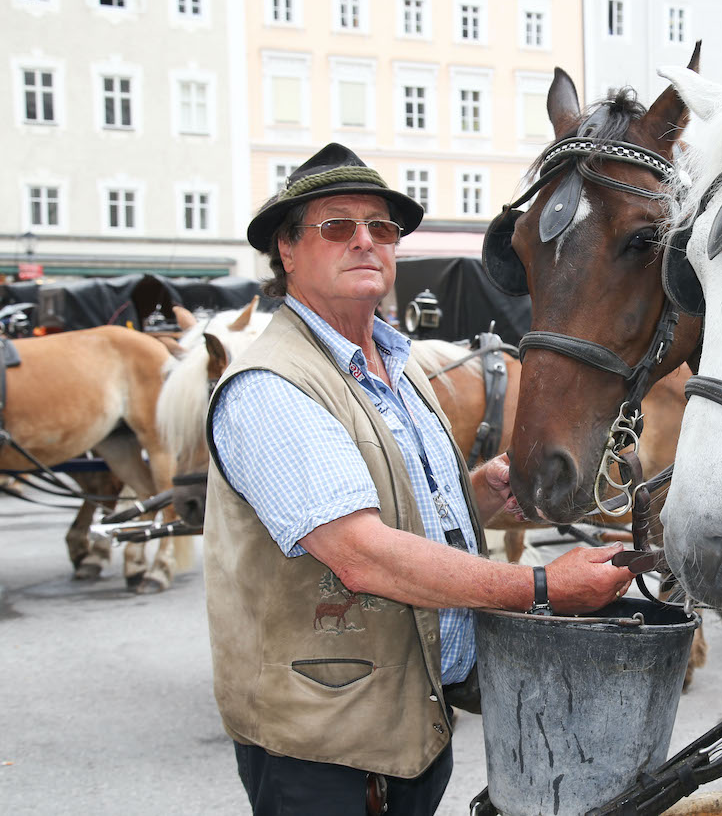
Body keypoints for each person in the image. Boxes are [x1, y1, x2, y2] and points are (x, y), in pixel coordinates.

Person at [203, 143, 633, 815]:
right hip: (328, 749)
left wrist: (476, 495)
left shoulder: (395, 365)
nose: (365, 242)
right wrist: (545, 585)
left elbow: (385, 502)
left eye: (381, 227)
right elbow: (360, 552)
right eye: (336, 227)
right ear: (286, 251)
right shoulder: (273, 384)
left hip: (407, 723)